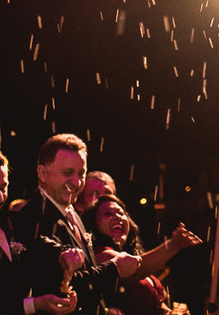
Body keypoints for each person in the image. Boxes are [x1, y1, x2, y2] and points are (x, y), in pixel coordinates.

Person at [12, 135, 140, 315]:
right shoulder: (33, 219)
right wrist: (114, 268)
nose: (77, 182)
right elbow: (60, 287)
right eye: (67, 173)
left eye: (81, 174)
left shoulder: (70, 211)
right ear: (42, 173)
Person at [0, 141, 77, 314]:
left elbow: (38, 243)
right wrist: (35, 304)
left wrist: (63, 253)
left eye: (3, 187)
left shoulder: (11, 222)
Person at [88, 194, 201, 315]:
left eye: (121, 213)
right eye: (108, 214)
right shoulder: (100, 254)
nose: (117, 217)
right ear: (95, 226)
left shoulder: (134, 254)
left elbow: (153, 304)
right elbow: (137, 270)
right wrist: (173, 245)